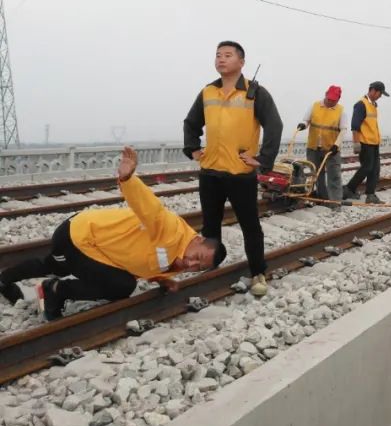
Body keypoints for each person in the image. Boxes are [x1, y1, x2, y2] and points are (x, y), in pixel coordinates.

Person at [0, 146, 226, 320]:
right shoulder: (169, 228)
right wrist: (128, 179)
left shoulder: (180, 257)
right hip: (78, 237)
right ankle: (55, 290)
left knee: (52, 265)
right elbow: (147, 205)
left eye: (199, 267)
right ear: (198, 240)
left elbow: (144, 259)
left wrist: (161, 279)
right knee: (122, 285)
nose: (193, 265)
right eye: (198, 258)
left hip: (94, 248)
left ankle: (4, 280)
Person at [183, 40, 282, 297]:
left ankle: (258, 271)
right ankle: (211, 265)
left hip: (240, 174)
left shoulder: (255, 92)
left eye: (227, 55)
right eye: (217, 55)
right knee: (210, 225)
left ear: (241, 62)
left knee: (250, 226)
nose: (221, 59)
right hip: (210, 172)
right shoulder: (207, 92)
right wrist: (192, 148)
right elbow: (191, 122)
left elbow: (275, 125)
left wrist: (263, 159)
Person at [296, 85, 344, 203]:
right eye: (329, 99)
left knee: (334, 176)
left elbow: (343, 130)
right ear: (325, 95)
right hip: (313, 147)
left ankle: (335, 202)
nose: (330, 102)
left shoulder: (341, 111)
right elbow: (306, 120)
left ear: (338, 99)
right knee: (316, 175)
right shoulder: (315, 106)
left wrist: (336, 145)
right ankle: (322, 198)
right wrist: (303, 124)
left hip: (332, 149)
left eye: (333, 100)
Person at [344, 81, 389, 203]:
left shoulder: (373, 105)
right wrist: (356, 143)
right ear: (373, 90)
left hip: (374, 143)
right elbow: (355, 126)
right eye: (380, 93)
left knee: (375, 169)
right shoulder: (361, 104)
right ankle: (349, 188)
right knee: (367, 168)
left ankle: (370, 195)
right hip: (365, 143)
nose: (380, 96)